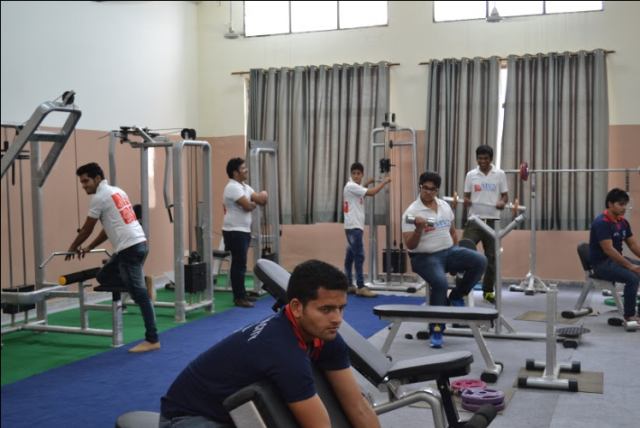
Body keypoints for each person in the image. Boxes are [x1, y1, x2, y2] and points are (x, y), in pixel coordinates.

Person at [159, 260, 381, 428]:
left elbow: (358, 406)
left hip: (233, 413)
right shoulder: (282, 350)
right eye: (326, 309)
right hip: (186, 418)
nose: (337, 319)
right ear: (296, 307)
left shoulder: (326, 336)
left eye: (340, 308)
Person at [65, 162, 159, 353]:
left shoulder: (99, 197)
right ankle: (141, 282)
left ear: (97, 178)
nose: (83, 185)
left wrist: (73, 247)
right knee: (103, 276)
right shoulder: (117, 191)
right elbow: (107, 230)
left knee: (140, 296)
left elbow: (87, 228)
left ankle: (152, 339)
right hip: (138, 244)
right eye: (81, 182)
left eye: (86, 181)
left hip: (129, 249)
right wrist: (90, 247)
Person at [402, 171, 487, 348]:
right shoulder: (412, 212)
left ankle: (456, 296)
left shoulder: (444, 206)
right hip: (424, 257)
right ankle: (436, 329)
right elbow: (410, 245)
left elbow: (453, 233)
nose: (428, 192)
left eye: (433, 189)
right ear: (420, 187)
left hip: (448, 252)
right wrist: (418, 229)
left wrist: (456, 253)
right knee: (440, 283)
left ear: (437, 190)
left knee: (480, 261)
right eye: (425, 188)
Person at [462, 145, 508, 305]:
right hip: (474, 220)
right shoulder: (471, 175)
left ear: (491, 159)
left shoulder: (500, 174)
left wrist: (502, 202)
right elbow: (466, 196)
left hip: (493, 221)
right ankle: (462, 291)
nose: (482, 161)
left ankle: (488, 292)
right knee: (464, 251)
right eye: (480, 158)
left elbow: (505, 196)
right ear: (477, 158)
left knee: (492, 258)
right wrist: (467, 201)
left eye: (486, 158)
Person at [589, 188, 640, 324]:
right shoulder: (602, 223)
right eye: (621, 204)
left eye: (625, 204)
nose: (624, 208)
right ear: (610, 204)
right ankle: (629, 317)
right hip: (602, 265)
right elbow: (608, 250)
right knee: (633, 278)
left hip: (616, 261)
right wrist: (631, 266)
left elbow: (633, 245)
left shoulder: (623, 222)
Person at [222, 157, 268, 308]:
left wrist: (264, 194)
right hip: (234, 231)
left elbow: (260, 201)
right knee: (239, 264)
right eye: (243, 168)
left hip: (243, 231)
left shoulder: (245, 187)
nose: (246, 170)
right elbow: (248, 206)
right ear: (235, 173)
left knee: (240, 263)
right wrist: (256, 202)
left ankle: (241, 294)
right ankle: (239, 297)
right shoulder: (232, 187)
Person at [343, 162, 392, 298]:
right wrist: (384, 182)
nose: (356, 176)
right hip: (354, 228)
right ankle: (360, 287)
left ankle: (349, 284)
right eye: (354, 173)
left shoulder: (354, 188)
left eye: (359, 174)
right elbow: (371, 193)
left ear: (362, 175)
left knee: (350, 257)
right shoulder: (351, 185)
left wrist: (366, 184)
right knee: (359, 256)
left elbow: (361, 195)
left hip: (351, 226)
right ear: (351, 174)